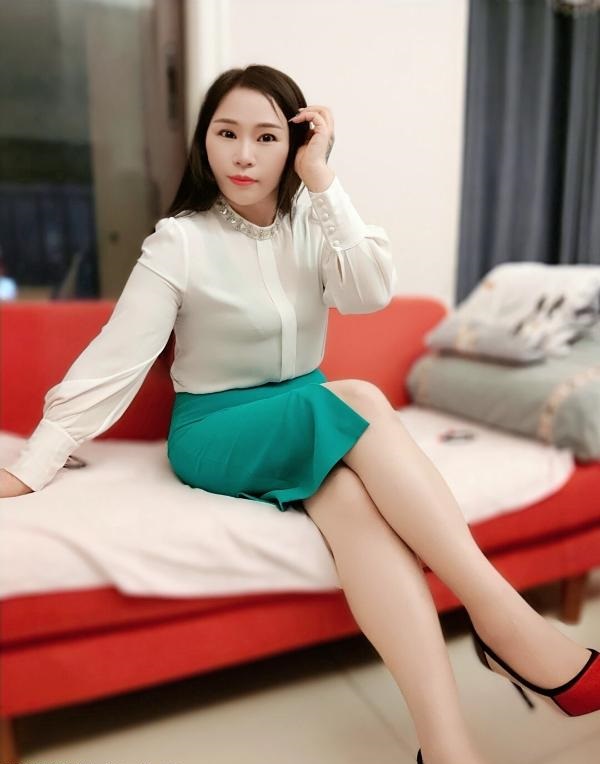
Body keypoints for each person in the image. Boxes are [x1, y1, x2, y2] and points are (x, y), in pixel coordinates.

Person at [1, 65, 598, 764]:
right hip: (216, 427)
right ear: (204, 141)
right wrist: (34, 462)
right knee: (359, 397)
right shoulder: (180, 241)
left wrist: (322, 181)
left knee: (352, 503)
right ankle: (505, 622)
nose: (244, 155)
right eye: (227, 134)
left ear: (294, 145)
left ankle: (445, 748)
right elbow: (116, 359)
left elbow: (370, 293)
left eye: (266, 137)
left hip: (307, 414)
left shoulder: (314, 222)